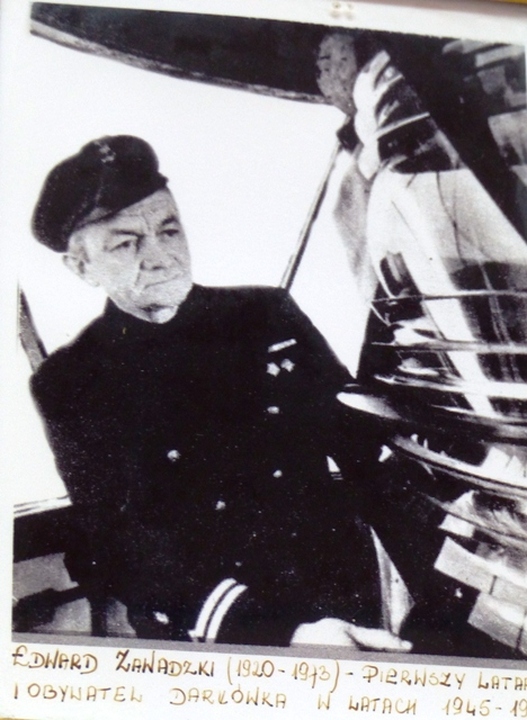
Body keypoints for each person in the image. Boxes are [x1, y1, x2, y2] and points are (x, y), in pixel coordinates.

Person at [29, 135, 411, 650]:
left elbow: (364, 445)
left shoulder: (266, 314)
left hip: (339, 596)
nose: (161, 256)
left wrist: (435, 572)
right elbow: (119, 545)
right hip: (218, 629)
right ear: (81, 267)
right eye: (126, 244)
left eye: (169, 230)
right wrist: (280, 632)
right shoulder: (71, 382)